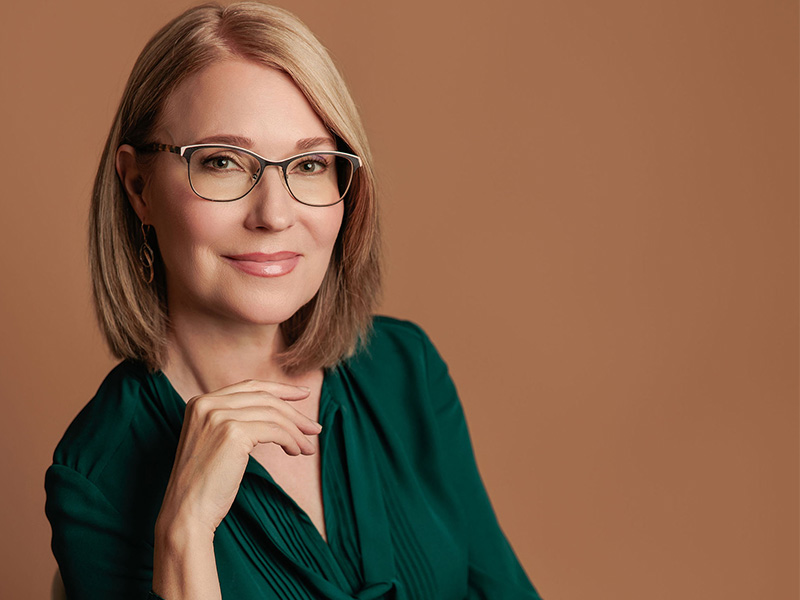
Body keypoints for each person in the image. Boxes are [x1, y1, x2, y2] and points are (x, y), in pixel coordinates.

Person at [44, 3, 542, 599]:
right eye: (223, 162)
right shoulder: (97, 476)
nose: (275, 214)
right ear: (139, 187)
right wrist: (185, 532)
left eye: (309, 164)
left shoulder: (404, 370)